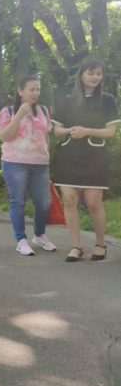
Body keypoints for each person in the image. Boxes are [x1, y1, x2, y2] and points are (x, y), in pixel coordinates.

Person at [52, 59, 120, 262]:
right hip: (68, 156)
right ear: (81, 75)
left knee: (93, 203)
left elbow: (111, 131)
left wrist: (87, 131)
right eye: (91, 73)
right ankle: (76, 246)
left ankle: (100, 244)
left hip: (95, 157)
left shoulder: (107, 100)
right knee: (70, 200)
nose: (95, 77)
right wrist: (70, 131)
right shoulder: (66, 101)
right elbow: (56, 130)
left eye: (98, 74)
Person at [0, 75, 57, 256]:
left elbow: (45, 137)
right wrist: (19, 114)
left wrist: (47, 159)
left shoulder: (44, 110)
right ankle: (21, 240)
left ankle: (39, 235)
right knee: (17, 201)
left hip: (40, 164)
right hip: (15, 162)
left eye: (38, 89)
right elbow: (4, 136)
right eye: (31, 89)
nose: (35, 93)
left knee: (43, 202)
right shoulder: (7, 111)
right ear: (20, 91)